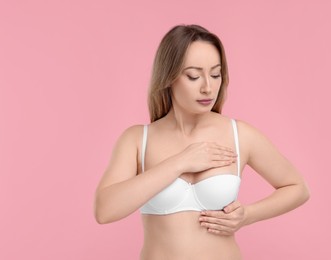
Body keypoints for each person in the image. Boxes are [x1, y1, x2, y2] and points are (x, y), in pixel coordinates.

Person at [94, 24, 310, 259]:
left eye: (216, 74)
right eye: (194, 76)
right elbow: (105, 210)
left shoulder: (240, 135)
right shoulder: (137, 140)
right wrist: (180, 162)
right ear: (169, 77)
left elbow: (298, 188)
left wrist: (248, 215)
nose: (208, 87)